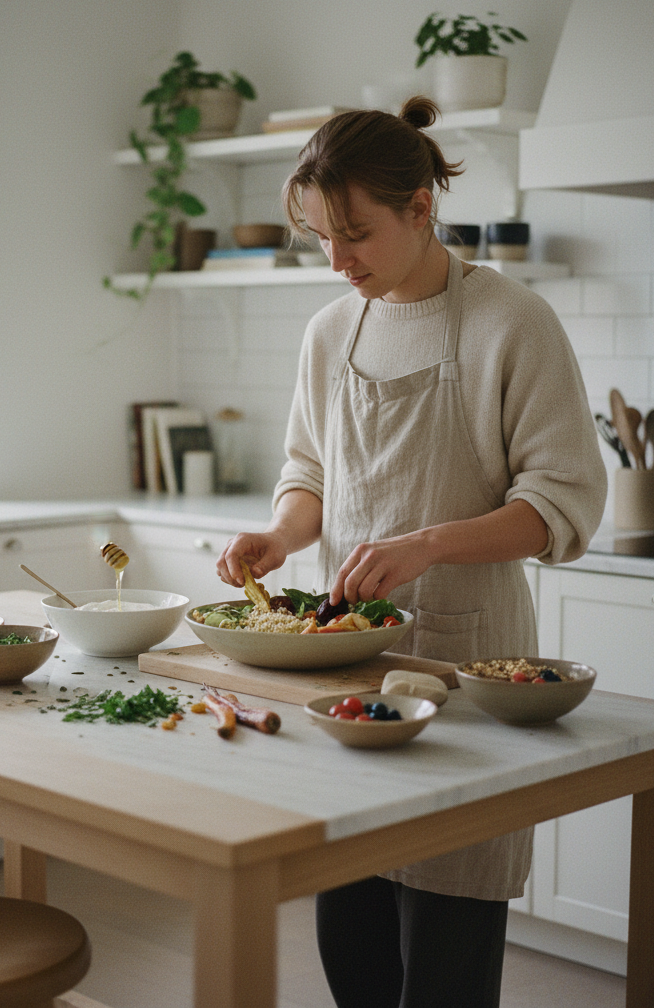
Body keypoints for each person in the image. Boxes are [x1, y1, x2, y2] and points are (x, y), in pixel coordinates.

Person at [215, 97, 607, 1008]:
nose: (338, 259)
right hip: (347, 668)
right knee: (348, 935)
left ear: (421, 208)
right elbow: (310, 470)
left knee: (448, 960)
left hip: (470, 674)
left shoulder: (513, 321)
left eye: (355, 233)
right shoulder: (329, 331)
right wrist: (280, 533)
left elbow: (560, 506)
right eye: (320, 238)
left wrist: (428, 543)